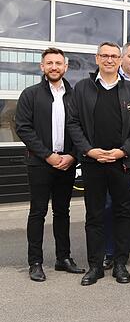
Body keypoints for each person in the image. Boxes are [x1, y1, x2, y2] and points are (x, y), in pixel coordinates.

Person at [67, 41, 130, 286]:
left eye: (114, 56)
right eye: (105, 56)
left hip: (120, 163)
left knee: (124, 213)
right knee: (95, 214)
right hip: (93, 163)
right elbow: (73, 123)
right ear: (97, 58)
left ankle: (121, 264)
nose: (110, 60)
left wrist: (122, 151)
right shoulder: (82, 88)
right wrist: (89, 150)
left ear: (120, 60)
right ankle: (95, 266)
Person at [15, 47, 84, 282]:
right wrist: (48, 155)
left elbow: (82, 130)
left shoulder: (75, 96)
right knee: (38, 212)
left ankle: (63, 258)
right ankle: (35, 262)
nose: (54, 67)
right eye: (49, 63)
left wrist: (72, 156)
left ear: (65, 67)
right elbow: (23, 128)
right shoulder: (30, 94)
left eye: (58, 63)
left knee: (62, 212)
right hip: (40, 163)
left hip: (66, 163)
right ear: (42, 67)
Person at [103, 41, 130, 269]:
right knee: (113, 205)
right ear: (122, 58)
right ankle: (110, 251)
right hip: (116, 155)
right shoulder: (110, 82)